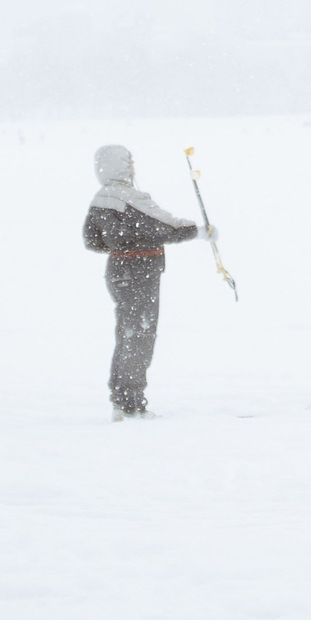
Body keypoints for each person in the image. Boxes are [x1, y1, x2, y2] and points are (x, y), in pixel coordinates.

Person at [82, 144, 201, 419]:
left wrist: (122, 242)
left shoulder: (101, 198)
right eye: (130, 162)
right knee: (140, 336)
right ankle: (131, 404)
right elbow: (167, 226)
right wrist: (198, 231)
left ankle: (121, 400)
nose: (134, 167)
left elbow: (93, 240)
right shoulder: (130, 197)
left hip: (118, 271)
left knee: (128, 334)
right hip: (140, 272)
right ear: (122, 166)